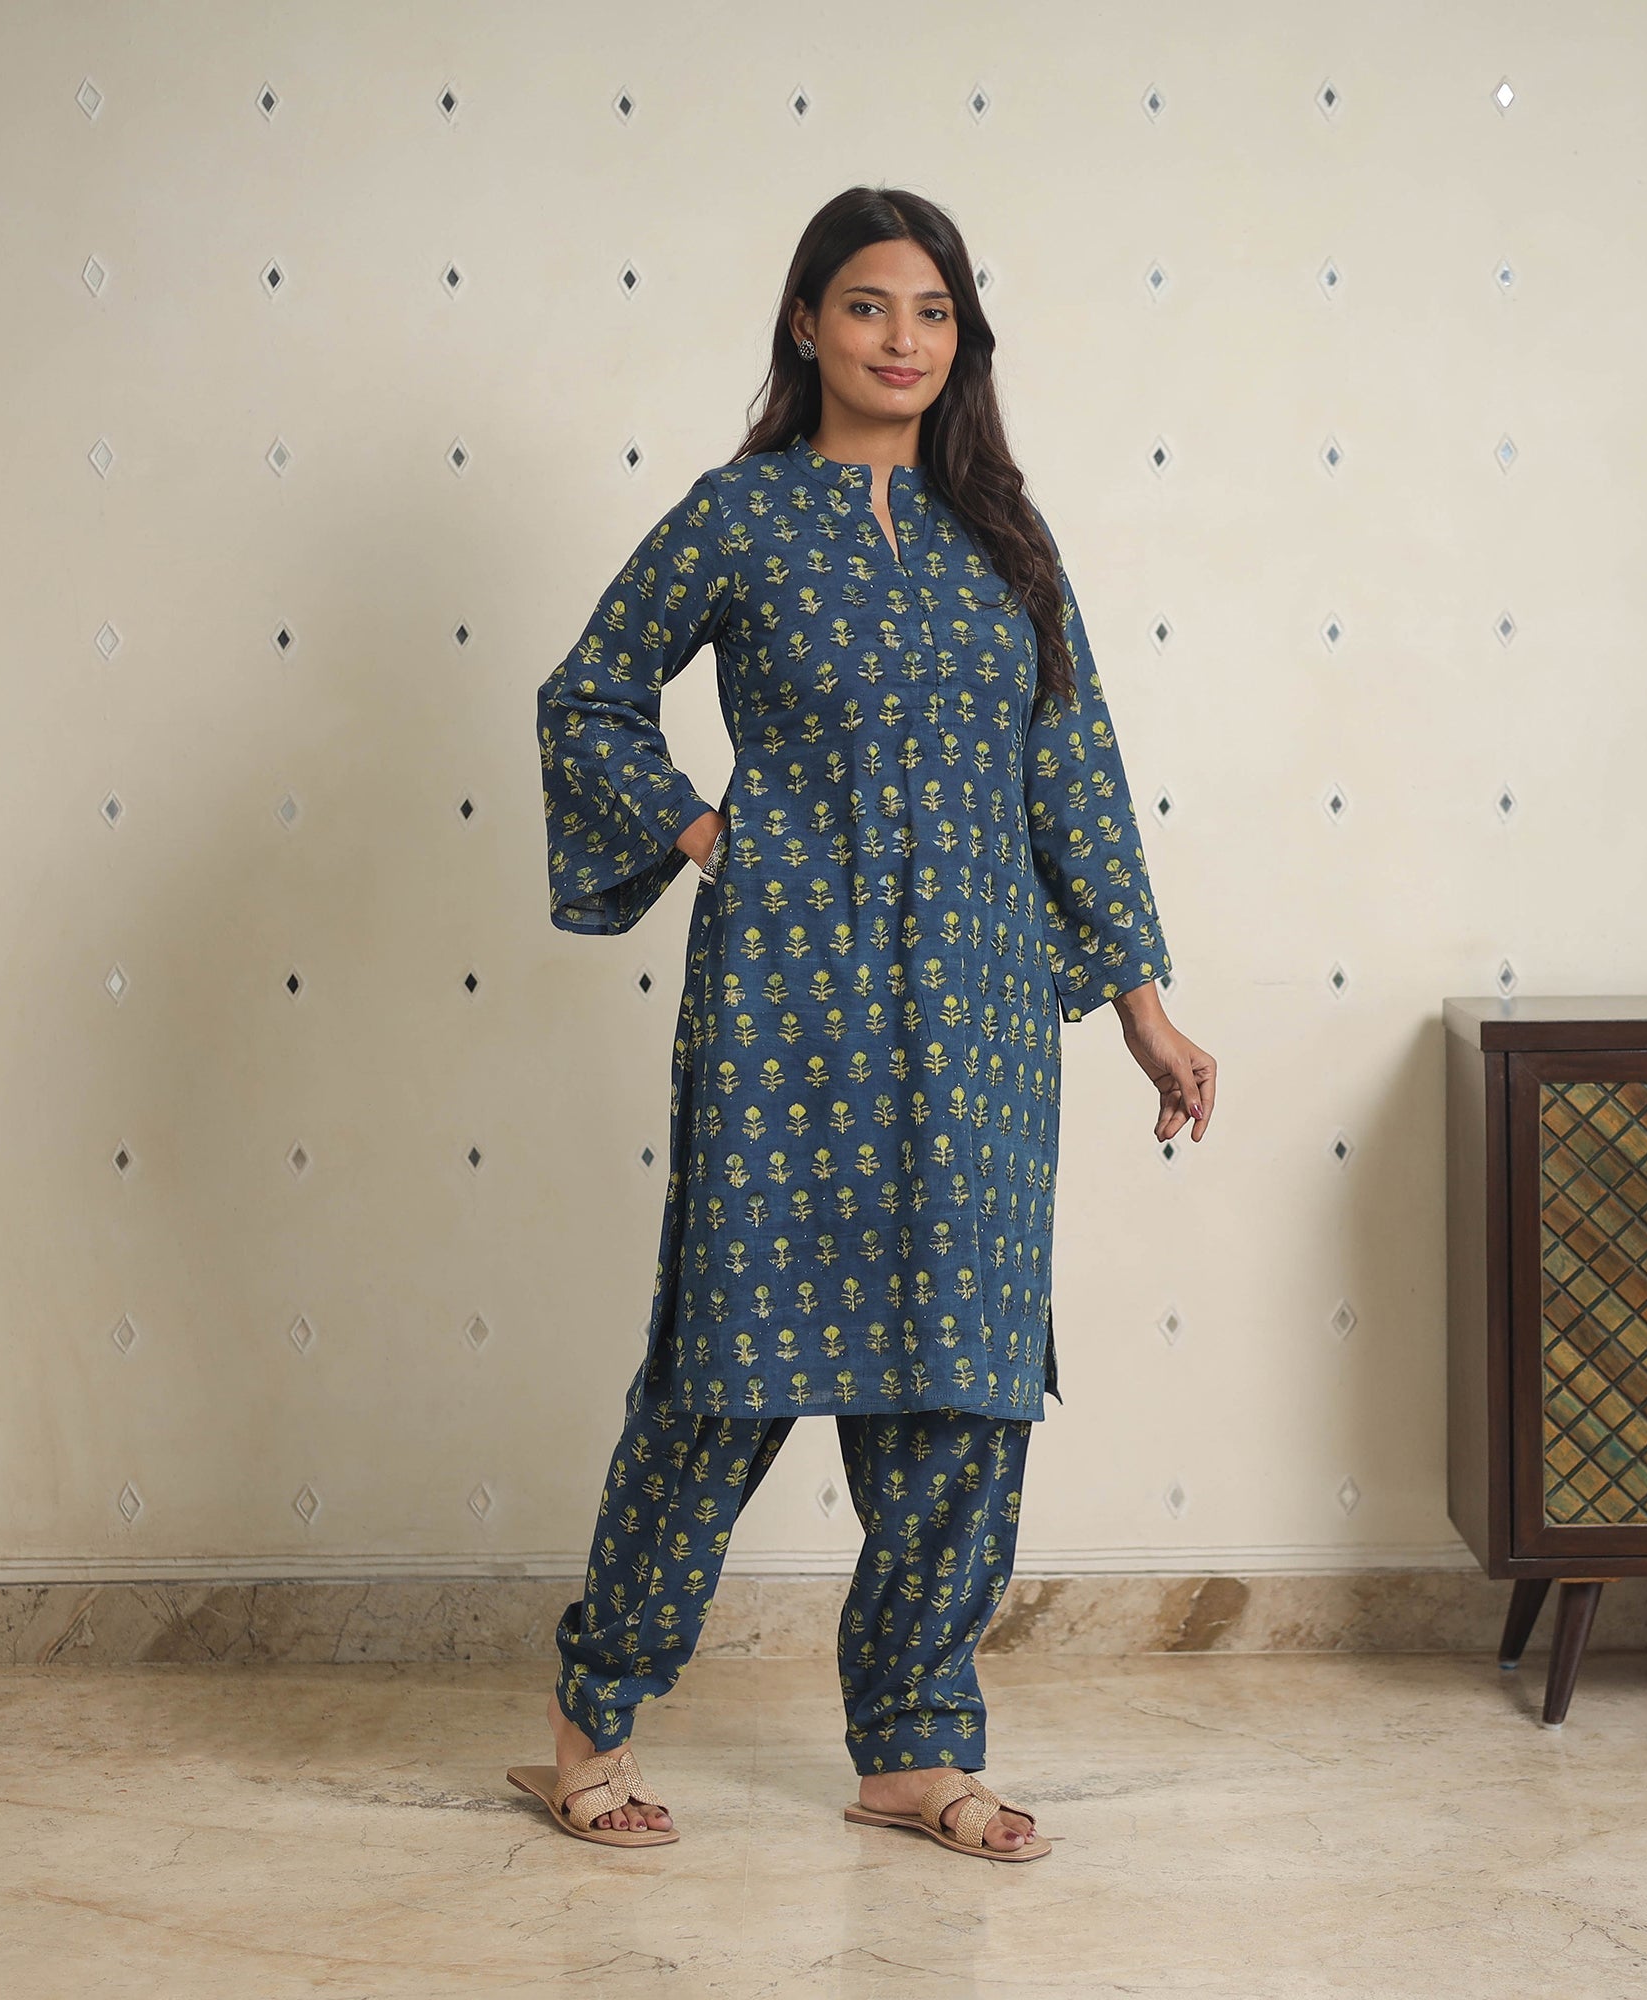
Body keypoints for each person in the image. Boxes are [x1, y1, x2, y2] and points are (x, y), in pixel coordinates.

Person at [511, 185, 1216, 1864]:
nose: (904, 340)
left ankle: (914, 1746)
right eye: (869, 306)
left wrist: (1143, 1006)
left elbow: (1073, 771)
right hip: (786, 1008)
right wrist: (702, 832)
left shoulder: (1004, 540)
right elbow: (588, 693)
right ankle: (588, 1723)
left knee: (967, 1391)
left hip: (981, 1021)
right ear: (807, 324)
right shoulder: (741, 515)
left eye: (934, 312)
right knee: (725, 1372)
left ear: (963, 338)